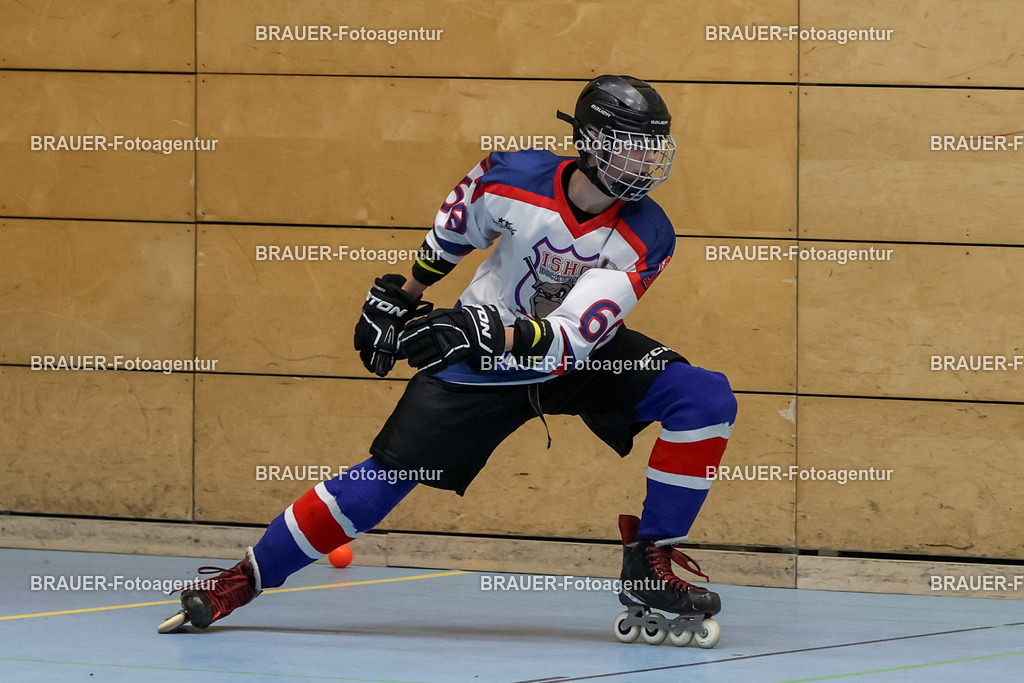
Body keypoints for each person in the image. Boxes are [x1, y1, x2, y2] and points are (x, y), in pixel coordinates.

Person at [159, 75, 737, 647]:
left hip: (570, 357)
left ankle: (650, 562)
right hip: (479, 358)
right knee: (383, 479)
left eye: (652, 147)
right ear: (589, 141)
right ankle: (244, 579)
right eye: (631, 144)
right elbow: (454, 233)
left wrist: (484, 332)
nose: (645, 161)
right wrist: (402, 297)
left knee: (704, 397)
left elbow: (571, 339)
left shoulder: (649, 233)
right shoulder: (510, 175)